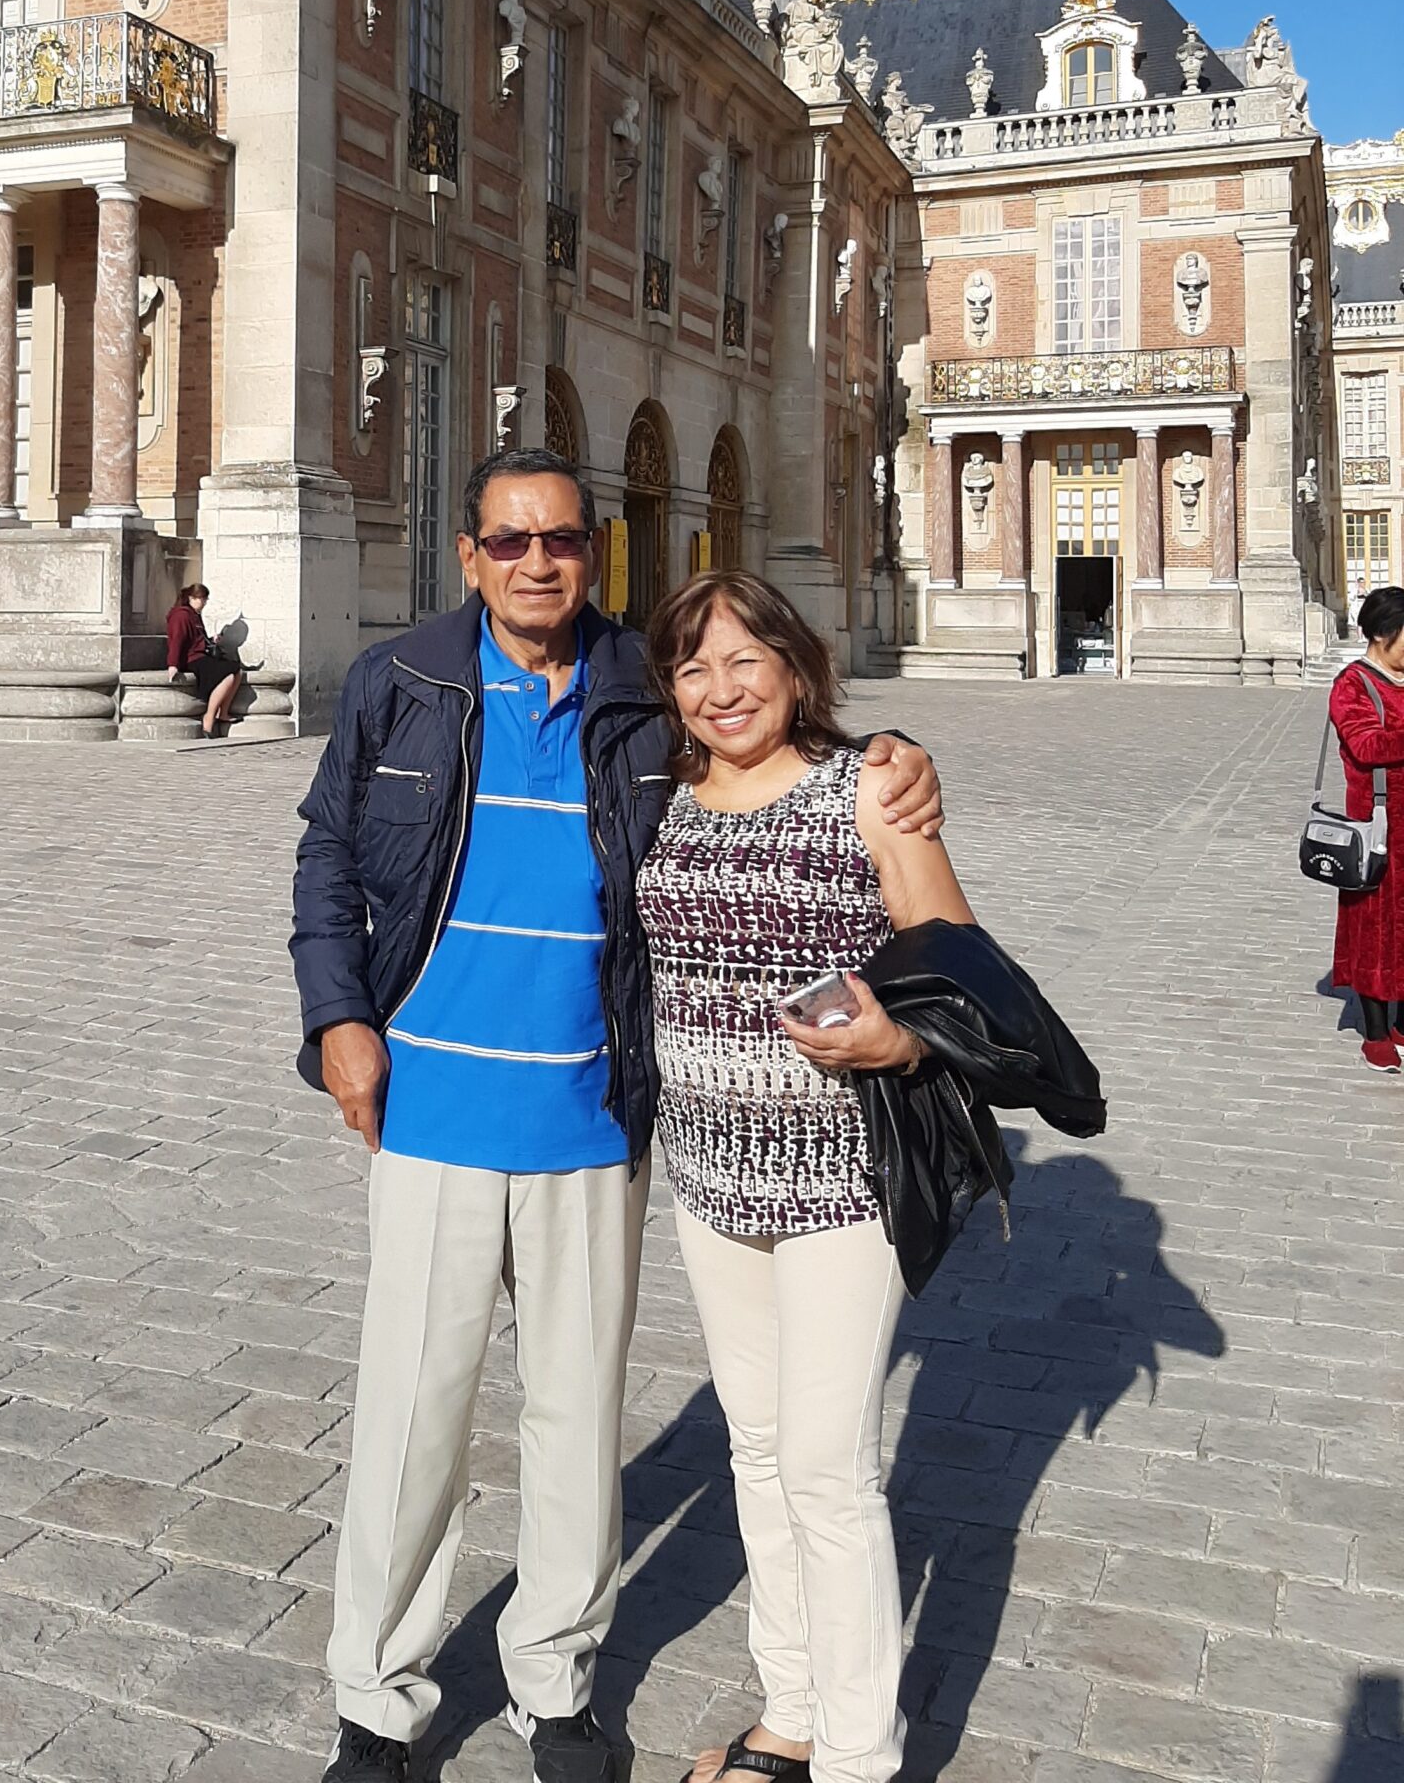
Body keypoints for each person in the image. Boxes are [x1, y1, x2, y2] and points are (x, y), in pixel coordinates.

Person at [290, 451, 943, 1783]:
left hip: (595, 1115)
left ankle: (557, 1680)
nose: (540, 562)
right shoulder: (397, 679)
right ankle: (378, 1697)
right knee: (412, 1419)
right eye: (511, 541)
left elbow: (771, 732)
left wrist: (896, 753)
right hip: (430, 1106)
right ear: (469, 555)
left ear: (593, 552)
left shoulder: (645, 689)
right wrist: (335, 1015)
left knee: (578, 1422)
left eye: (564, 540)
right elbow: (327, 857)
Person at [637, 570, 981, 1783]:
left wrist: (900, 1040)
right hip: (711, 1175)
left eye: (745, 660)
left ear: (795, 666)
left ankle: (856, 1755)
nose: (721, 688)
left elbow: (960, 963)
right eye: (693, 667)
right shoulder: (665, 795)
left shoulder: (866, 787)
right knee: (758, 1448)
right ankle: (789, 1710)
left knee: (830, 1468)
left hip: (842, 1179)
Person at [1329, 585, 1404, 1072]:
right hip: (1379, 825)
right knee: (1375, 928)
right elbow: (1367, 746)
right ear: (1381, 634)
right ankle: (1376, 1032)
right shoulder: (1352, 685)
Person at [165, 581, 240, 739]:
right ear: (191, 598)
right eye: (202, 599)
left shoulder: (194, 615)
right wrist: (173, 664)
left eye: (205, 599)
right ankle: (209, 717)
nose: (204, 603)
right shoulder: (181, 615)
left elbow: (197, 640)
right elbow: (177, 640)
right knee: (229, 674)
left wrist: (211, 640)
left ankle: (223, 712)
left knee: (236, 670)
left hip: (199, 656)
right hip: (190, 660)